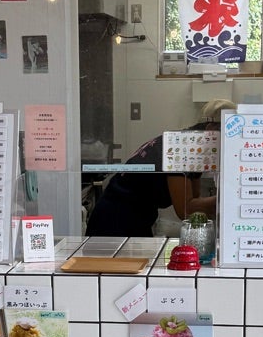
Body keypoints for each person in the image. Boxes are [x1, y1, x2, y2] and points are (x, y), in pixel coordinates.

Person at [85, 99, 234, 237]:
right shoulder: (182, 148)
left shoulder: (195, 147)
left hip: (137, 216)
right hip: (115, 220)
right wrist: (229, 199)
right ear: (211, 129)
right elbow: (186, 210)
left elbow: (195, 201)